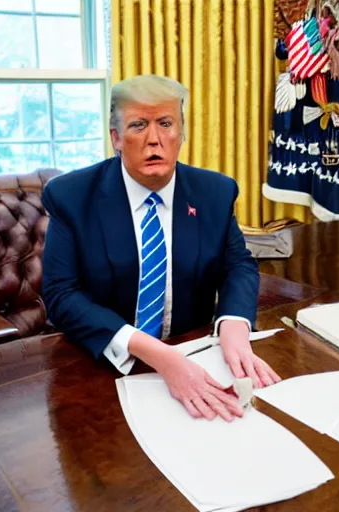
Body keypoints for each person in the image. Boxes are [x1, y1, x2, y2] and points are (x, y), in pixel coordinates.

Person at [42, 74, 281, 422]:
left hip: (195, 356)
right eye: (138, 125)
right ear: (116, 138)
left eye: (166, 124)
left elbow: (238, 266)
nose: (155, 140)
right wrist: (156, 354)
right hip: (101, 366)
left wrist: (234, 324)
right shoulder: (71, 197)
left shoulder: (214, 193)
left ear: (182, 134)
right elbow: (61, 295)